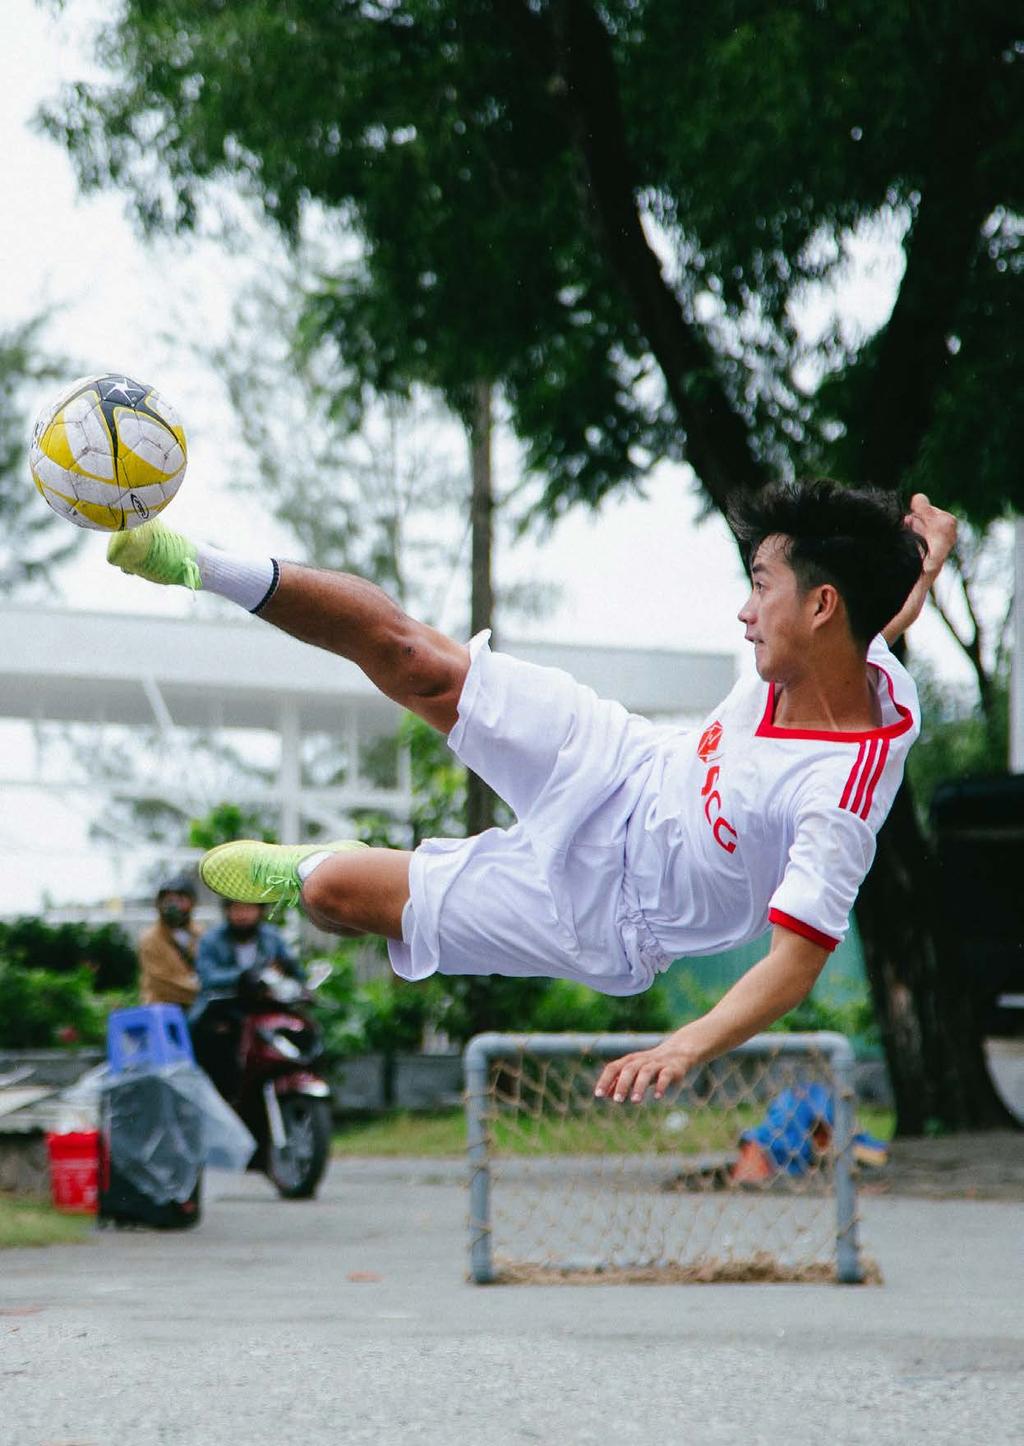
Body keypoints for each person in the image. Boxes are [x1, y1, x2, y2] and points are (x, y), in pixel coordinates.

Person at [108, 480, 957, 1103]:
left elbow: (793, 966)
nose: (742, 612)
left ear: (818, 607)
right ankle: (191, 562)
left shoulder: (839, 795)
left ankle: (330, 867)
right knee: (420, 662)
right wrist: (923, 557)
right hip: (623, 764)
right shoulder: (841, 648)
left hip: (608, 913)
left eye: (760, 587)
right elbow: (880, 613)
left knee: (333, 894)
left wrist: (684, 1048)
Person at [190, 898, 302, 1099]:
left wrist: (290, 970)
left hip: (265, 1009)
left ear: (260, 910)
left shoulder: (272, 937)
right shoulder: (211, 940)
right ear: (227, 911)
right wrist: (242, 976)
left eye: (248, 908)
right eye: (236, 908)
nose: (242, 915)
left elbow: (295, 973)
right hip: (224, 1009)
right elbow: (207, 977)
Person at [137, 873, 202, 1009]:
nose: (174, 906)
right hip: (163, 1008)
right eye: (169, 900)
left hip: (198, 1006)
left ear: (192, 902)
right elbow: (161, 982)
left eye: (180, 900)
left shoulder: (200, 934)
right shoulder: (150, 939)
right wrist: (200, 989)